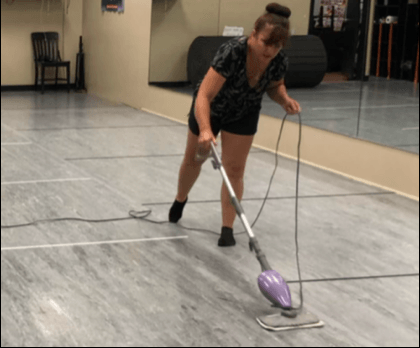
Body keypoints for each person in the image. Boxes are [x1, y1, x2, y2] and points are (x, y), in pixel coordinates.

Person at [169, 3, 301, 247]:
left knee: (235, 169)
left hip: (244, 111)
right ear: (253, 34)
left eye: (277, 46)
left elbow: (275, 86)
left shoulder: (278, 60)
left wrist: (284, 100)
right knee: (195, 159)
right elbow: (204, 96)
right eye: (265, 42)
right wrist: (206, 129)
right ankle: (180, 199)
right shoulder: (231, 52)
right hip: (211, 109)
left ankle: (227, 229)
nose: (270, 50)